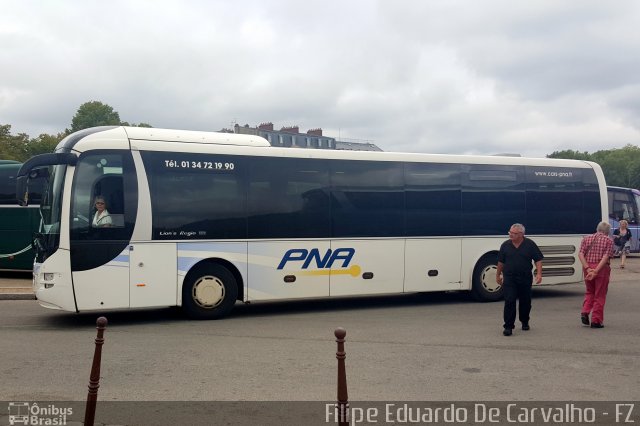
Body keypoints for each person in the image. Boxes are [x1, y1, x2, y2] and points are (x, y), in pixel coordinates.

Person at [496, 223, 543, 336]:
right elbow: (501, 262)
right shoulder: (505, 245)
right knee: (509, 300)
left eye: (514, 233)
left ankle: (524, 320)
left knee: (525, 301)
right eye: (510, 232)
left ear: (521, 234)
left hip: (525, 277)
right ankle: (508, 326)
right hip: (510, 277)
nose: (511, 235)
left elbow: (538, 259)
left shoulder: (530, 244)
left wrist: (539, 273)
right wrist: (498, 275)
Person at [579, 221, 614, 328]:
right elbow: (605, 257)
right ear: (607, 232)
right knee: (600, 294)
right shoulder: (608, 240)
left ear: (597, 229)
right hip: (601, 269)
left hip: (587, 267)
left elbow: (580, 254)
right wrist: (596, 271)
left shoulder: (586, 238)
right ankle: (596, 320)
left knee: (590, 291)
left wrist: (588, 268)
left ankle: (585, 311)